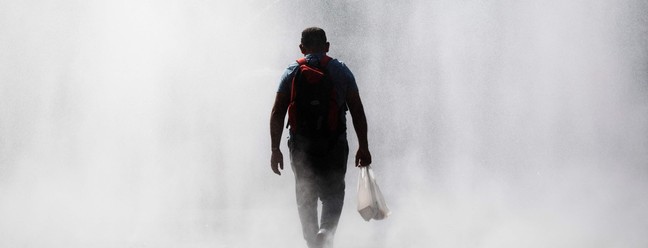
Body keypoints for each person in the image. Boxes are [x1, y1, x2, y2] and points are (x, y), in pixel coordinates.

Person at [269, 27, 372, 248]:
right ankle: (325, 232)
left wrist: (275, 149)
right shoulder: (341, 71)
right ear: (327, 47)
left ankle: (311, 242)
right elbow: (357, 109)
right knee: (333, 194)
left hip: (301, 149)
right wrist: (363, 147)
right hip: (333, 146)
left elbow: (278, 112)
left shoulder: (291, 73)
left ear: (301, 48)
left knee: (306, 198)